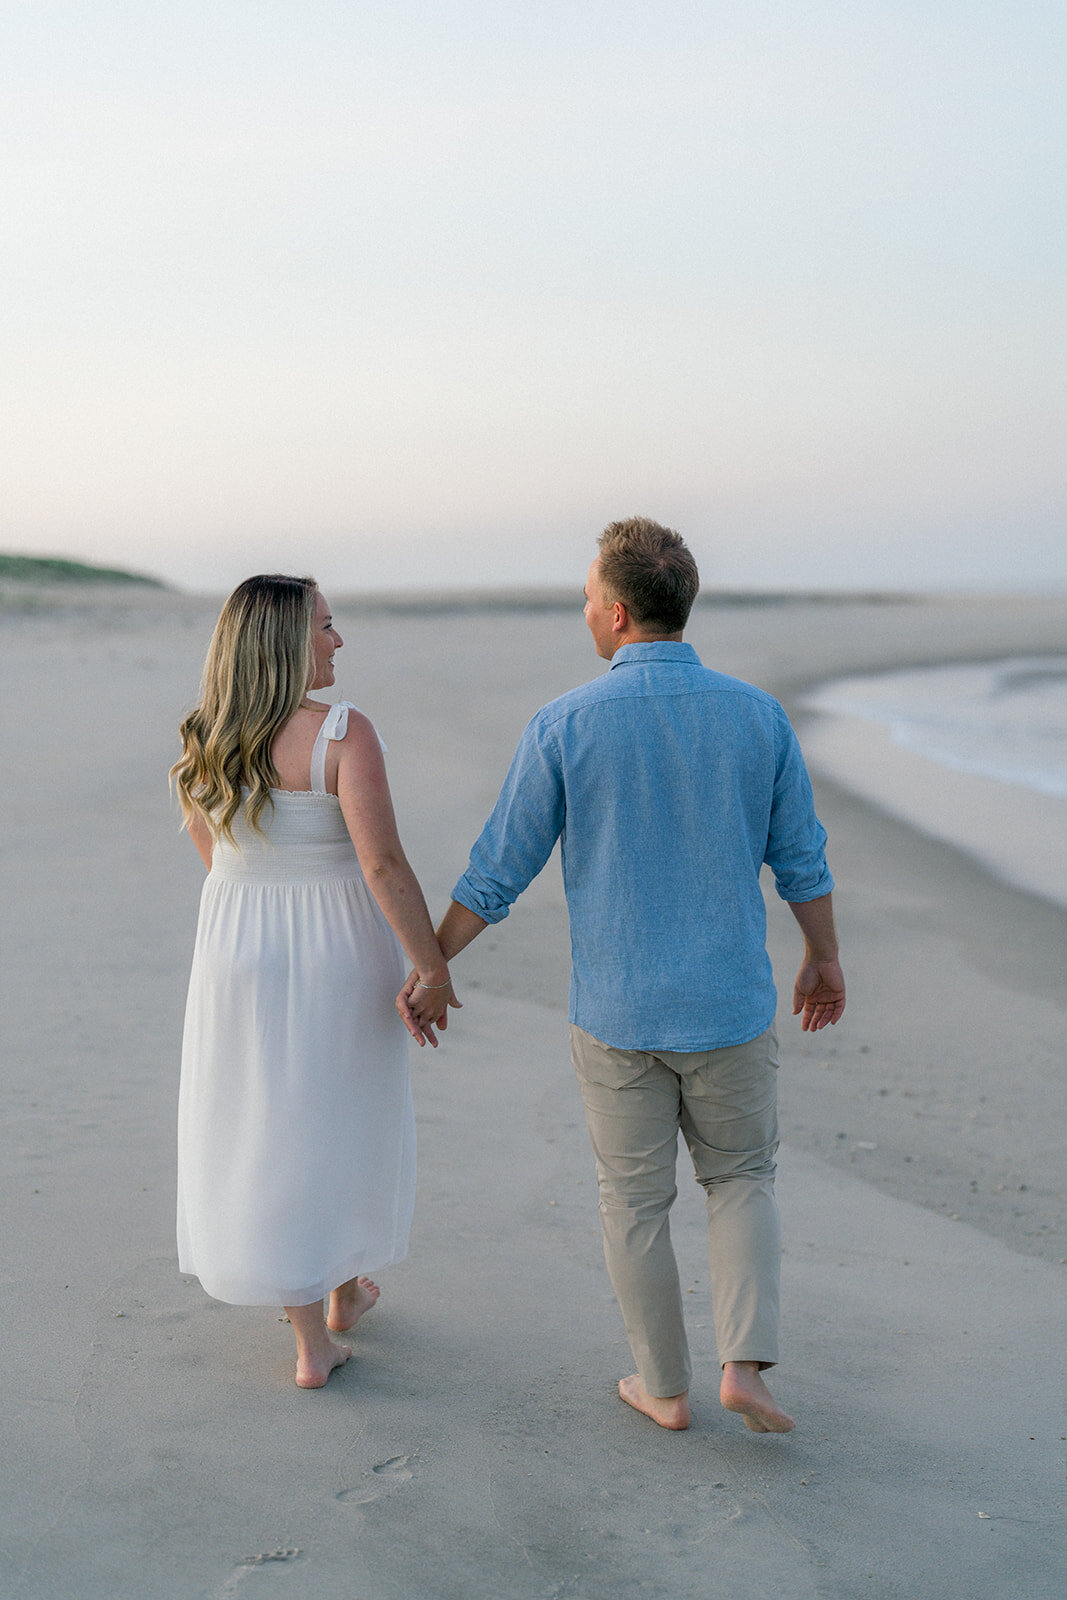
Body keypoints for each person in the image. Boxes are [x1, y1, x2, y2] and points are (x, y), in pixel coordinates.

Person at [401, 519, 844, 1433]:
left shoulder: (564, 723)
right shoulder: (755, 716)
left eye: (584, 601)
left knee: (634, 1199)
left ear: (611, 612)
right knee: (742, 1180)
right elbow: (801, 860)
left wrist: (430, 962)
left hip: (617, 1010)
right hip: (727, 1003)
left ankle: (664, 1389)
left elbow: (497, 871)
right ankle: (744, 1365)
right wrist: (823, 957)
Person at [172, 574, 458, 1388]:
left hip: (236, 941)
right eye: (327, 627)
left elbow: (213, 849)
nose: (338, 641)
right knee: (332, 1111)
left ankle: (334, 1301)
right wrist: (428, 966)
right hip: (334, 941)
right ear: (287, 641)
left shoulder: (203, 731)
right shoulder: (342, 731)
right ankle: (313, 1346)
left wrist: (255, 906)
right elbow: (380, 861)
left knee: (269, 1113)